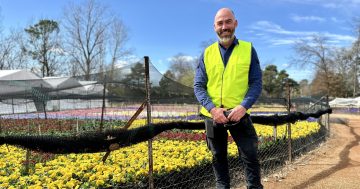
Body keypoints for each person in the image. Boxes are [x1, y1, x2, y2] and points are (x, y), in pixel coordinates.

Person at [194, 8, 263, 189]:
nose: (224, 27)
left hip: (239, 114)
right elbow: (199, 86)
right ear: (214, 27)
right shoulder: (207, 53)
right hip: (213, 116)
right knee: (218, 158)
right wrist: (212, 109)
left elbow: (256, 83)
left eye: (228, 22)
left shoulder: (248, 50)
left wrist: (243, 107)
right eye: (220, 23)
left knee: (250, 156)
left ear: (235, 23)